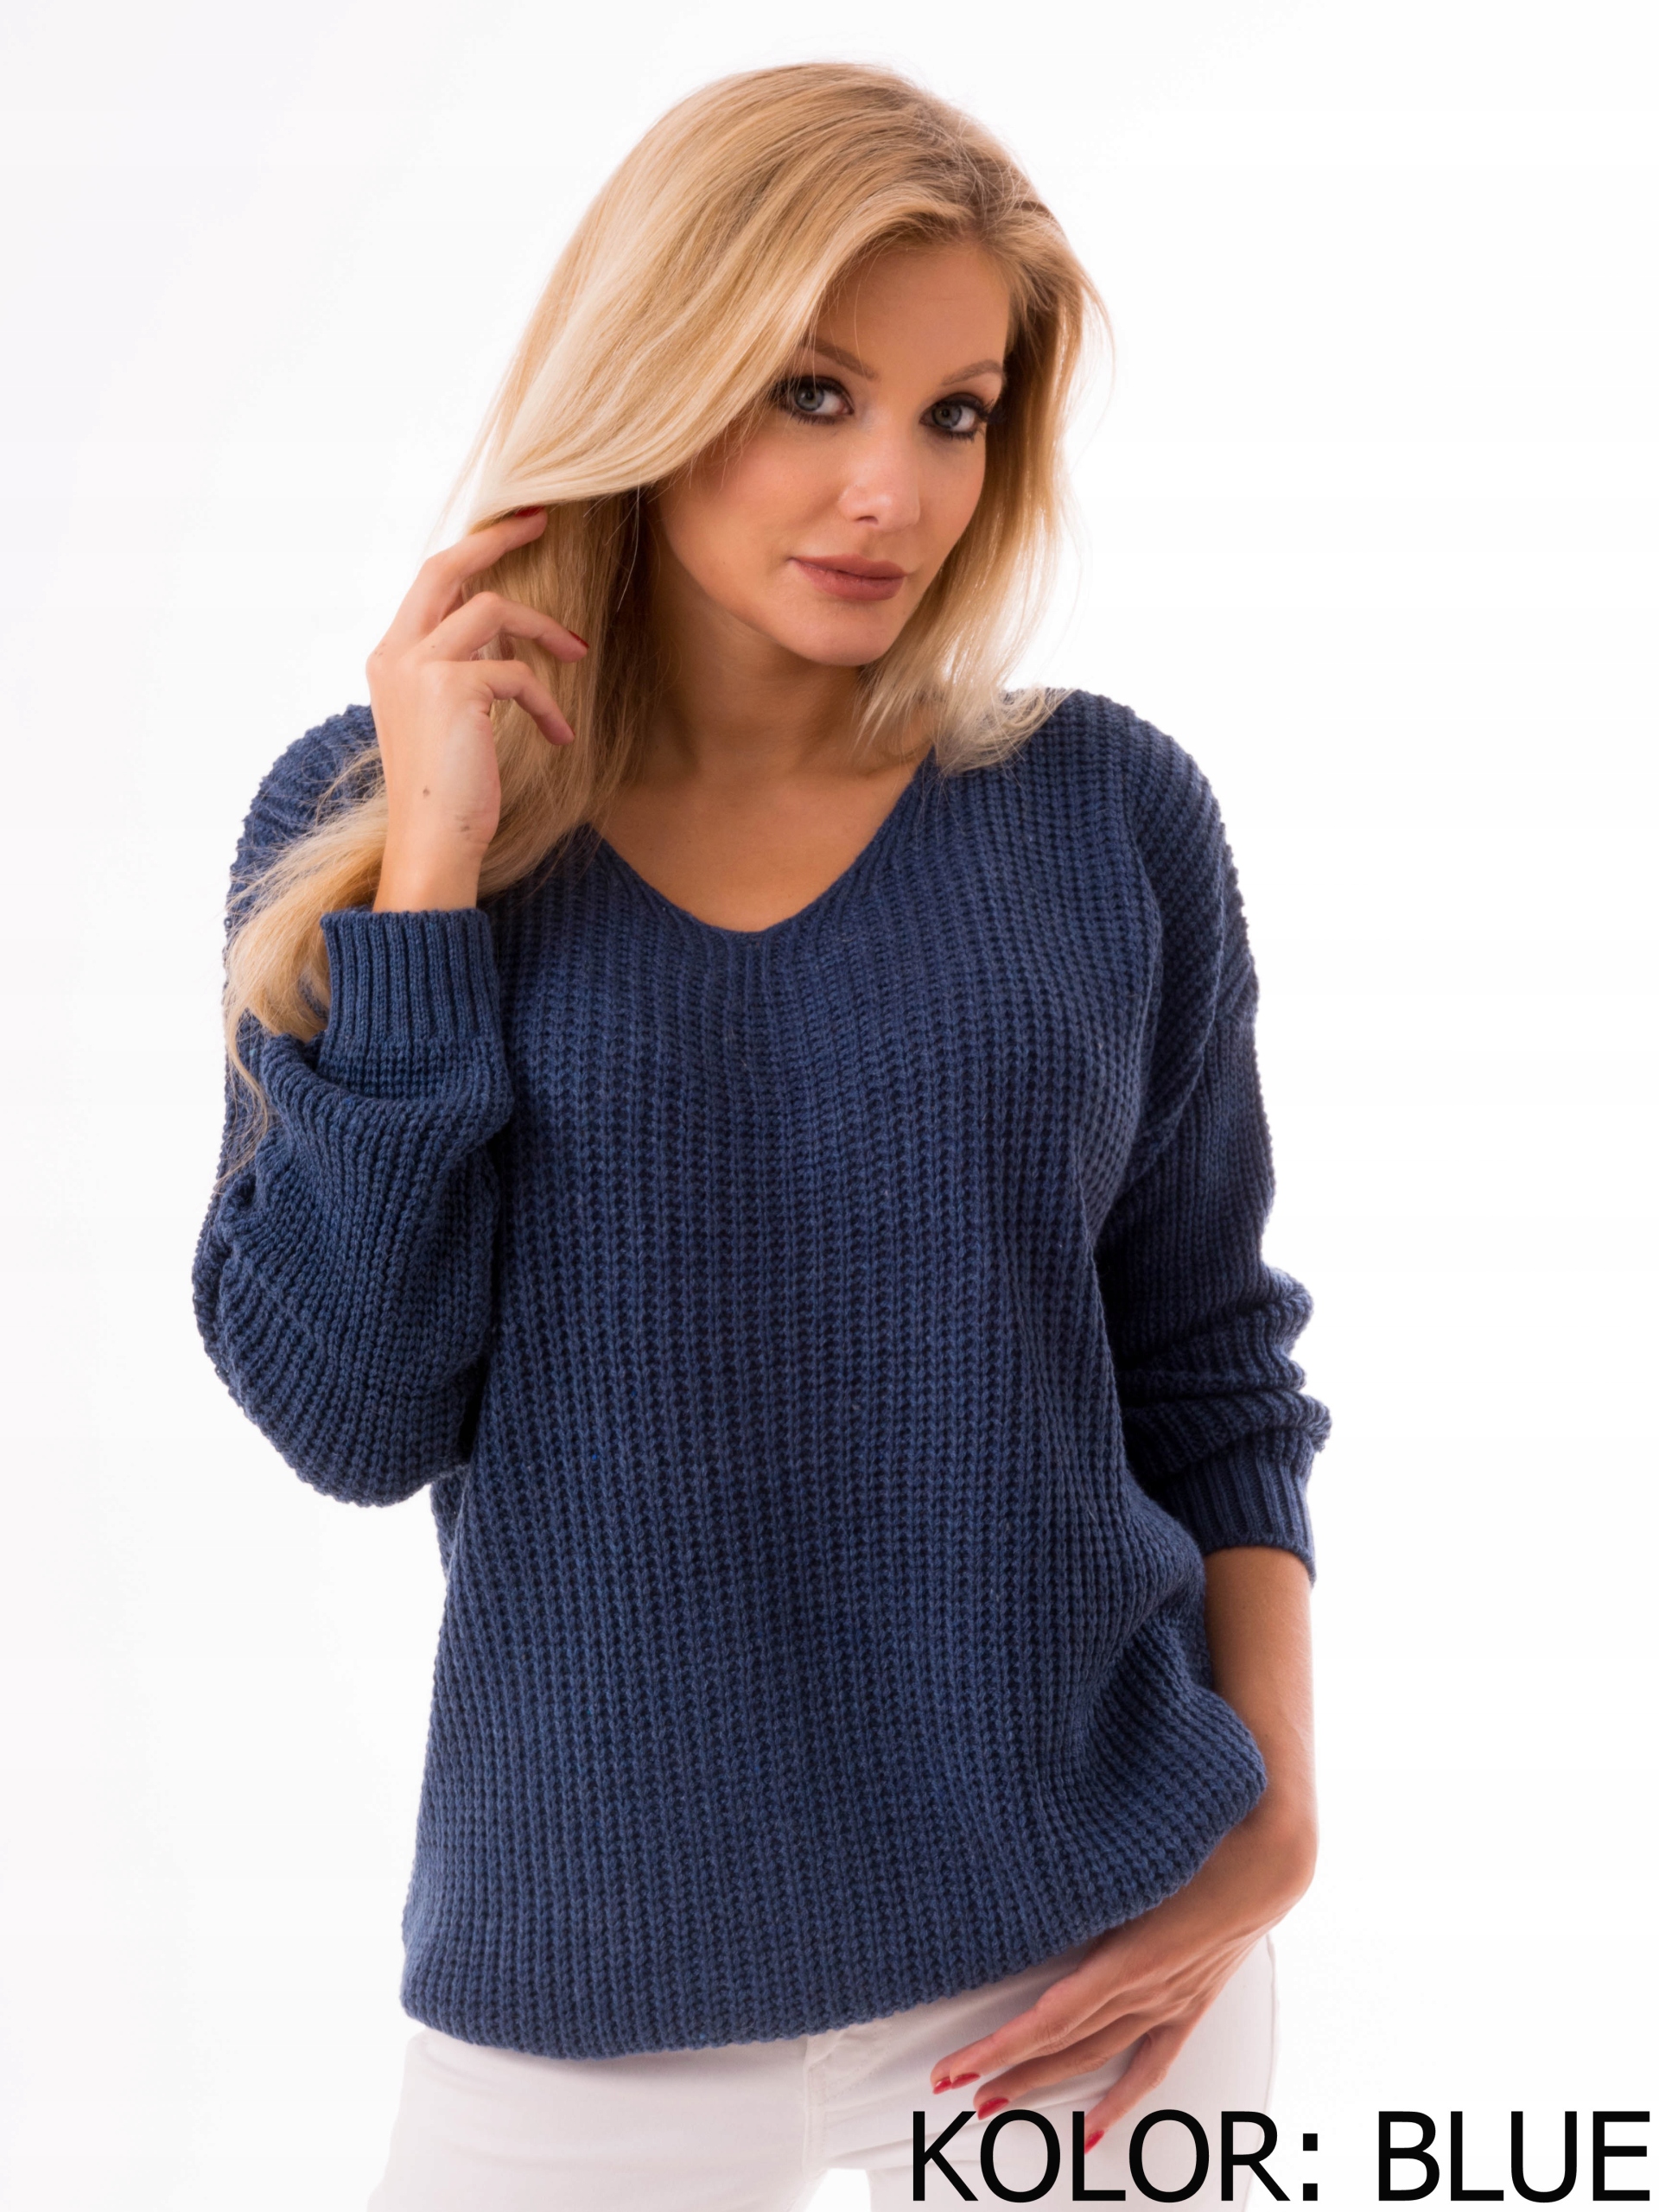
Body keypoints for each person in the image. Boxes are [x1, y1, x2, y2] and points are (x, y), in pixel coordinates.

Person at [192, 60, 1332, 2211]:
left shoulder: (1107, 818)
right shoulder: (373, 823)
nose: (892, 490)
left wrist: (1273, 1818)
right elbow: (348, 1409)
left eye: (955, 412)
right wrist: (434, 880)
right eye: (813, 393)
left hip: (1088, 1975)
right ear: (657, 368)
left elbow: (1206, 1358)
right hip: (580, 2005)